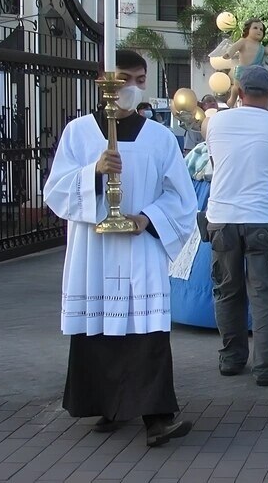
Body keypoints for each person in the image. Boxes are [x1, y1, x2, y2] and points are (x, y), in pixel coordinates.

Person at [42, 49, 197, 447]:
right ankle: (107, 404)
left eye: (139, 79)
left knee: (146, 330)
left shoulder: (160, 137)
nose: (132, 87)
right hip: (93, 248)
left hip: (139, 247)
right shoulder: (78, 133)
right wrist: (92, 172)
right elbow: (56, 191)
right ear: (105, 82)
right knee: (99, 328)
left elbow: (181, 197)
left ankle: (157, 418)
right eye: (124, 78)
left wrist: (146, 218)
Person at [204, 66, 268, 387]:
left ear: (239, 92)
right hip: (261, 217)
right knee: (264, 294)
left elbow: (218, 165)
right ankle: (266, 366)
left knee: (226, 291)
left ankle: (232, 358)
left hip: (221, 218)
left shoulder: (215, 122)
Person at [224, 19, 268, 107]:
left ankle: (255, 102)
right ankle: (232, 100)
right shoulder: (243, 41)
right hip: (243, 70)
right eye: (255, 28)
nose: (259, 31)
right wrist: (229, 54)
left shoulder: (261, 47)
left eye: (261, 29)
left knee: (255, 89)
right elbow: (234, 48)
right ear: (248, 30)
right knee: (237, 88)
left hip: (256, 73)